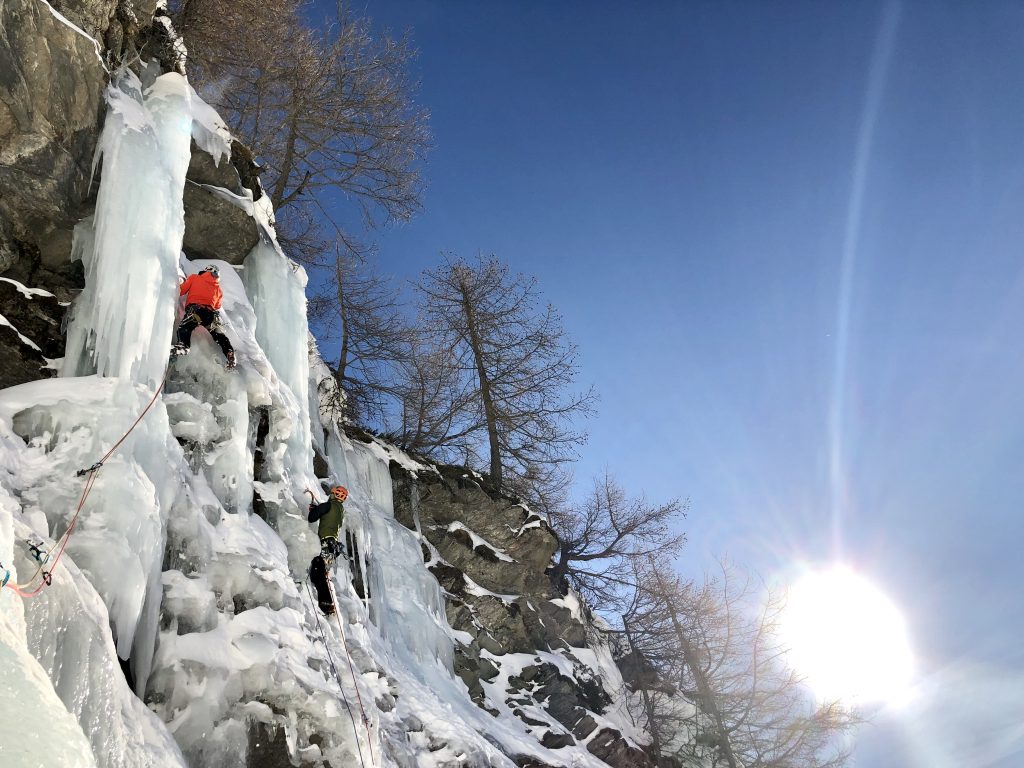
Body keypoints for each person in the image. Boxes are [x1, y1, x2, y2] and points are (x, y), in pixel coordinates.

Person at [171, 265, 236, 369]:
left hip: (196, 310)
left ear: (207, 271)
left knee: (185, 327)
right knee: (219, 336)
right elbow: (217, 306)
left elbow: (181, 291)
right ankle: (230, 353)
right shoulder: (218, 290)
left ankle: (184, 346)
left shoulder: (194, 278)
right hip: (210, 315)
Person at [308, 485, 348, 615]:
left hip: (326, 543)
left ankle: (326, 603)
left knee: (318, 571)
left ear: (333, 495)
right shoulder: (340, 510)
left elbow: (312, 517)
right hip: (333, 546)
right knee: (320, 571)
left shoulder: (328, 506)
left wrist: (313, 509)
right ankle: (327, 602)